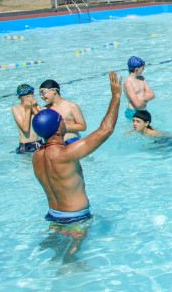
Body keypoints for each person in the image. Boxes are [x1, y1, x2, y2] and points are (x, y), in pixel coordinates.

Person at [31, 72, 121, 244]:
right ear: (58, 128)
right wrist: (116, 96)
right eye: (61, 121)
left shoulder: (36, 156)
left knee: (55, 255)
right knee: (72, 263)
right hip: (75, 219)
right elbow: (105, 130)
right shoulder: (66, 154)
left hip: (53, 217)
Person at [38, 79, 87, 144]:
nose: (41, 96)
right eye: (40, 94)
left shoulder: (71, 106)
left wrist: (63, 127)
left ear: (53, 91)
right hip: (55, 145)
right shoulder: (45, 110)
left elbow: (83, 126)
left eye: (43, 92)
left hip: (72, 142)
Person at [12, 83, 42, 153]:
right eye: (24, 94)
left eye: (30, 93)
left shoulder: (37, 106)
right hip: (26, 146)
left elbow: (42, 124)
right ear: (19, 97)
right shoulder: (16, 109)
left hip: (40, 143)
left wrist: (34, 107)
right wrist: (28, 109)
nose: (28, 96)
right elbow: (25, 129)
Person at [124, 56, 155, 120]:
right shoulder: (128, 83)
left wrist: (141, 99)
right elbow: (137, 104)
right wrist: (146, 99)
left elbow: (152, 95)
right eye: (142, 68)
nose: (143, 69)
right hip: (133, 113)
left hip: (143, 111)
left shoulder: (142, 79)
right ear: (136, 70)